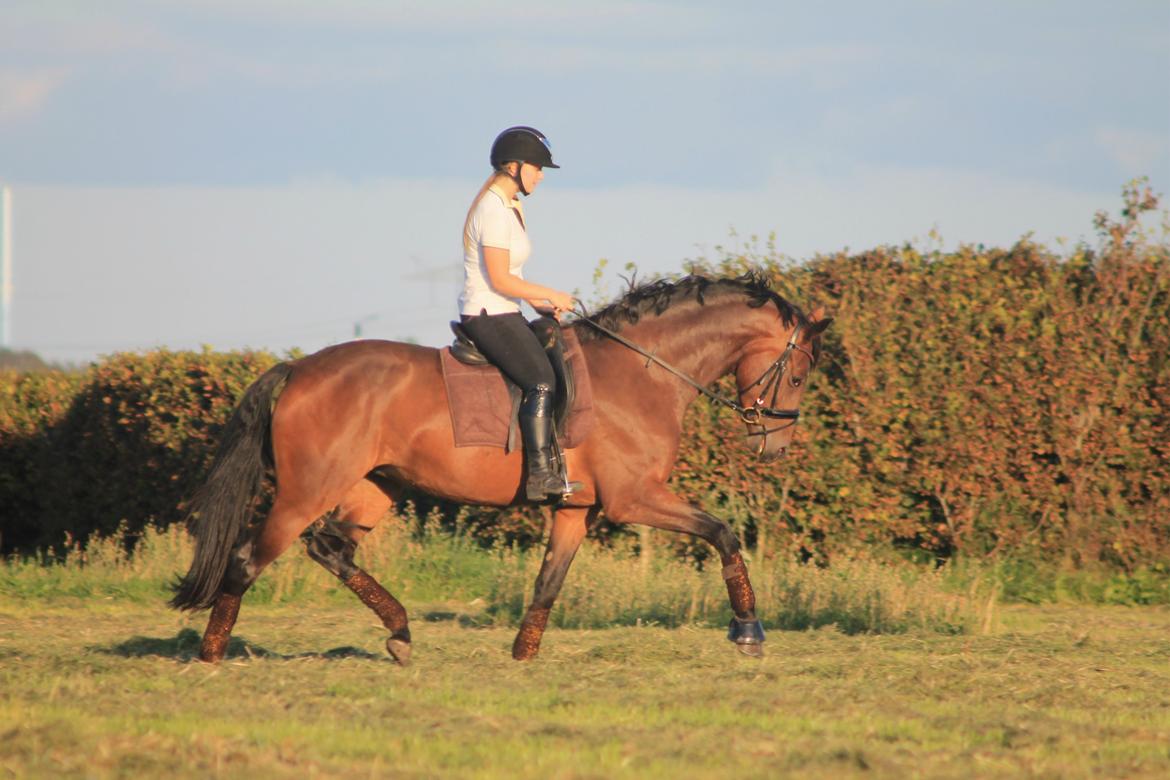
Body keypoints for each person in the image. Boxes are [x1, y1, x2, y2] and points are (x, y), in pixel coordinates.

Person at [459, 126, 576, 501]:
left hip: (505, 310)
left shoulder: (511, 207)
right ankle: (541, 476)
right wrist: (549, 292)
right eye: (538, 168)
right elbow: (500, 279)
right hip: (487, 313)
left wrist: (540, 305)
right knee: (541, 381)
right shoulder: (492, 209)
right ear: (515, 166)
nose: (541, 175)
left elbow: (513, 280)